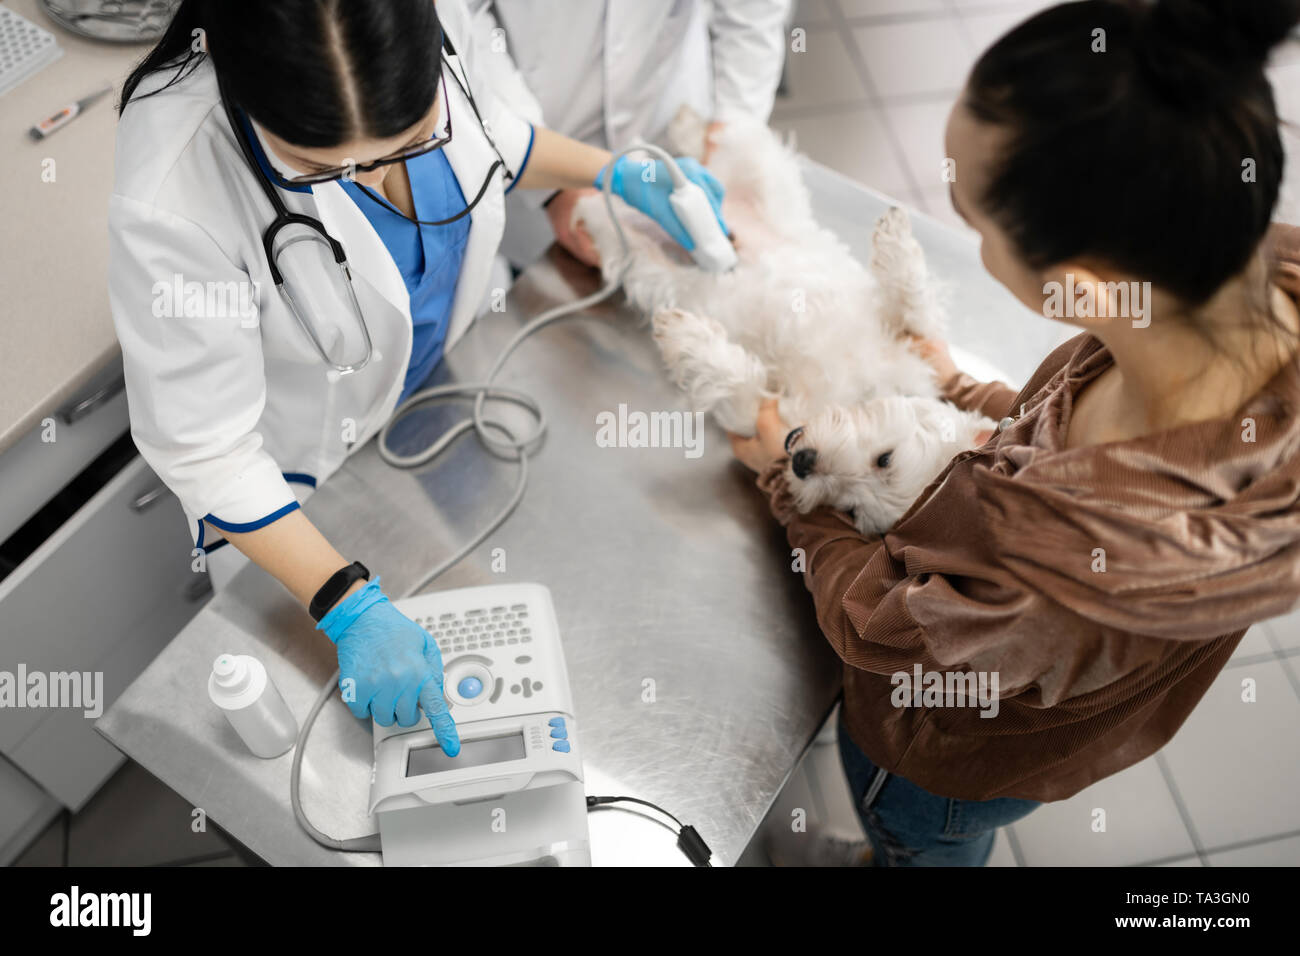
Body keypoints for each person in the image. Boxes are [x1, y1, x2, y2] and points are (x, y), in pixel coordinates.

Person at [732, 0, 1300, 865]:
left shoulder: (1066, 564)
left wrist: (789, 481)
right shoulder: (1244, 287)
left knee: (913, 840)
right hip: (1056, 731)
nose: (968, 235)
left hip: (940, 763)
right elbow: (1058, 428)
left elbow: (882, 628)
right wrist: (958, 387)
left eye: (971, 222)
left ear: (1082, 284)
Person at [108, 0, 726, 755]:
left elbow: (490, 130)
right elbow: (207, 450)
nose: (380, 174)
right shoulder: (174, 185)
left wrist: (613, 173)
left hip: (453, 388)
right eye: (329, 168)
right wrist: (345, 605)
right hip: (314, 493)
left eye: (411, 141)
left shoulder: (430, 17)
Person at [465, 0, 790, 266]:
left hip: (666, 115)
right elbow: (461, 22)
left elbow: (753, 12)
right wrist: (552, 184)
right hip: (532, 127)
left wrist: (730, 133)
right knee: (545, 284)